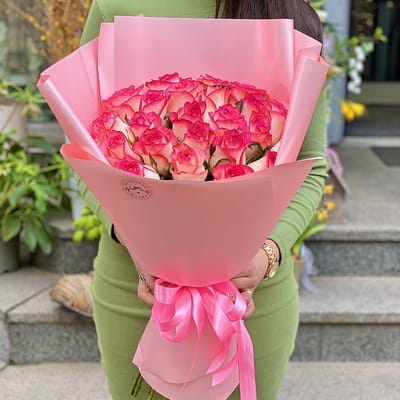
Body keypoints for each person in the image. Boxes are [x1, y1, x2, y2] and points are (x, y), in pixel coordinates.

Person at [78, 1, 327, 399]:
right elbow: (85, 152)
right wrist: (136, 239)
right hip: (137, 295)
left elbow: (311, 166)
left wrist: (267, 253)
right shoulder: (116, 5)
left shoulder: (285, 9)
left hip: (249, 302)